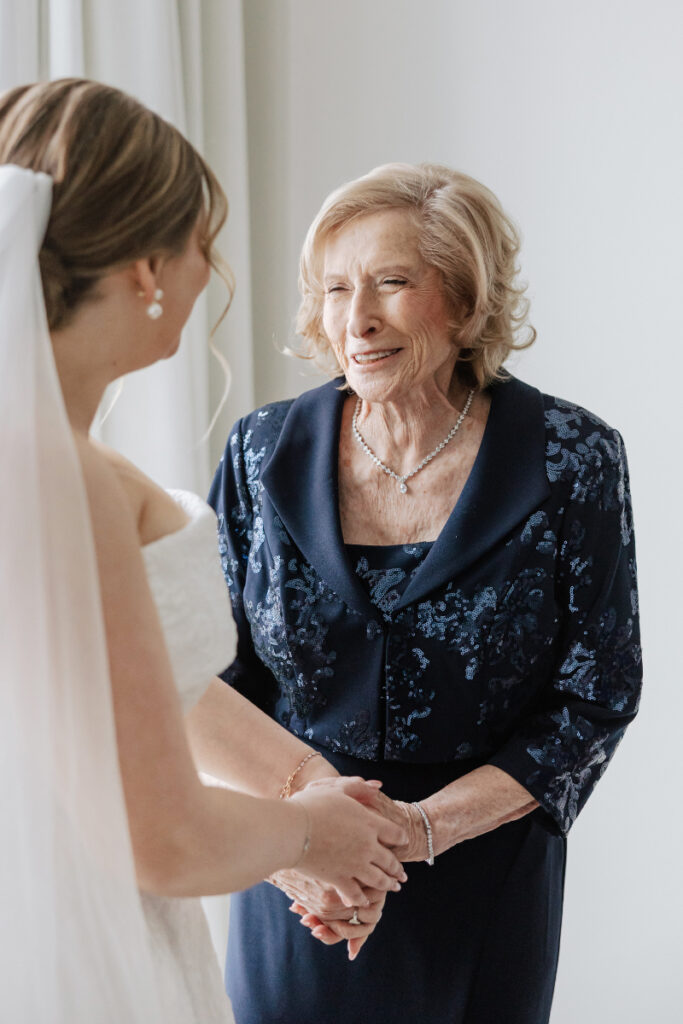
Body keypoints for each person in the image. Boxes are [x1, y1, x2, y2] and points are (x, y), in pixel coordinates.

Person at [0, 80, 408, 1024]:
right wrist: (307, 837)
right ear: (147, 267)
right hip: (83, 934)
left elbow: (132, 697)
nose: (208, 274)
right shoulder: (72, 484)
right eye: (200, 245)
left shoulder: (57, 463)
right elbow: (166, 839)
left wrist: (308, 794)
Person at [206, 162, 643, 1024]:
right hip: (297, 880)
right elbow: (212, 678)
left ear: (466, 297)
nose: (355, 319)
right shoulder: (260, 452)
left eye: (391, 283)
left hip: (479, 874)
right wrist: (301, 844)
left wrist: (416, 832)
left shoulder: (570, 454)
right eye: (334, 289)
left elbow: (593, 698)